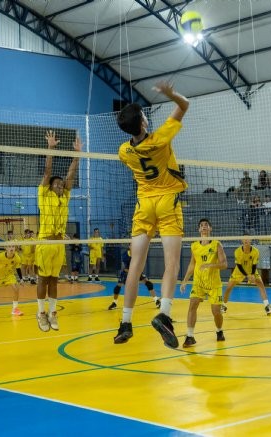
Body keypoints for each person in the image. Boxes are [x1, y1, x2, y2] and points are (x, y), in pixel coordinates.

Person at [112, 81, 189, 348]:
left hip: (144, 205)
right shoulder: (161, 138)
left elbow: (129, 152)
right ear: (143, 124)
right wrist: (170, 94)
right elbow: (184, 105)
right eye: (144, 115)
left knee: (135, 265)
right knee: (171, 264)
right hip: (167, 201)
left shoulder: (124, 151)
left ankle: (125, 322)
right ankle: (164, 315)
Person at [35, 130, 81, 332]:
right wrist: (50, 148)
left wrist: (77, 154)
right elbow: (47, 172)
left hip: (59, 244)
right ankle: (40, 313)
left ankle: (53, 314)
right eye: (57, 183)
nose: (61, 185)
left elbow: (71, 175)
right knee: (43, 279)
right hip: (45, 242)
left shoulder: (65, 197)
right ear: (50, 186)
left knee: (54, 279)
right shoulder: (44, 195)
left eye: (62, 184)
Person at [180, 218, 227, 347]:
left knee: (216, 312)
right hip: (198, 282)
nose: (204, 226)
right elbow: (192, 264)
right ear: (199, 229)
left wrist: (210, 265)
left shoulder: (216, 244)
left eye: (206, 225)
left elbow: (224, 264)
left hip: (214, 284)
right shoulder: (194, 245)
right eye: (201, 225)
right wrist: (184, 280)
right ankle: (189, 336)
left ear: (210, 228)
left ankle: (219, 330)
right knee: (192, 305)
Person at [222, 235, 271, 316]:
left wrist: (251, 275)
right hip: (239, 272)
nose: (246, 240)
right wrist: (247, 275)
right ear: (241, 240)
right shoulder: (237, 251)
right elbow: (239, 266)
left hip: (252, 270)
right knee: (229, 288)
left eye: (248, 238)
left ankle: (267, 307)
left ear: (251, 239)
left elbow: (254, 265)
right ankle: (223, 306)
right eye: (244, 238)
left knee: (261, 284)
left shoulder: (255, 251)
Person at [109, 244, 160, 310]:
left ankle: (156, 300)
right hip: (127, 272)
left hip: (136, 271)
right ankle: (114, 303)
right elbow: (125, 268)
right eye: (131, 245)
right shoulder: (125, 254)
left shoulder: (138, 253)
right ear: (129, 247)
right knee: (118, 287)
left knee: (148, 283)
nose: (133, 247)